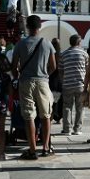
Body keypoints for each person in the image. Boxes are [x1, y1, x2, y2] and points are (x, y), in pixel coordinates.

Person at [10, 15, 56, 159]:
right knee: (46, 115)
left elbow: (13, 67)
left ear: (27, 27)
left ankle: (32, 150)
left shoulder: (20, 44)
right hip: (43, 82)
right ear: (39, 26)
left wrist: (18, 75)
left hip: (26, 81)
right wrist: (44, 74)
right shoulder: (47, 43)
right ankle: (46, 148)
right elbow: (53, 66)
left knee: (29, 116)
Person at [58, 34, 90, 135]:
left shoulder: (64, 54)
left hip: (67, 84)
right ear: (79, 42)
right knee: (80, 107)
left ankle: (67, 129)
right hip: (80, 84)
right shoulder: (84, 54)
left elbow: (60, 70)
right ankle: (77, 129)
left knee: (67, 106)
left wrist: (64, 81)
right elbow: (88, 70)